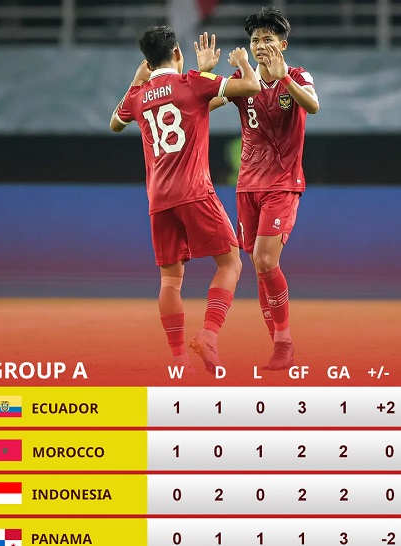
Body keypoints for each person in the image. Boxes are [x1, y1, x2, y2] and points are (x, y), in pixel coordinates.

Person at [110, 26, 260, 374]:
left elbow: (116, 123)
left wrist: (136, 81)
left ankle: (180, 361)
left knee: (170, 281)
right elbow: (250, 86)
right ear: (177, 53)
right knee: (231, 263)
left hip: (158, 199)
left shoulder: (139, 95)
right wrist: (240, 63)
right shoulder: (192, 82)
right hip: (194, 191)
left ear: (147, 63)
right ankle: (209, 334)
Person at [196, 8, 319, 370]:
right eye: (255, 40)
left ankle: (284, 342)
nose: (260, 45)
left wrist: (285, 79)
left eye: (268, 39)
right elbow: (201, 105)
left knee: (265, 260)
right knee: (259, 265)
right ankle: (281, 345)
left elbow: (313, 106)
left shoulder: (297, 75)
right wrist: (204, 74)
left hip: (283, 184)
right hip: (247, 186)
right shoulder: (243, 80)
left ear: (283, 45)